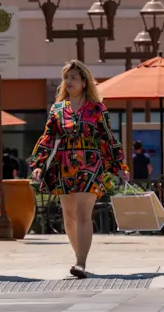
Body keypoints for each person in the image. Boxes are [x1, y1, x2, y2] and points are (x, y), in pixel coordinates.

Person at [30, 60, 126, 280]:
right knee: (69, 216)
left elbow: (108, 138)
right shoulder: (57, 109)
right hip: (64, 166)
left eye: (74, 77)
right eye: (66, 77)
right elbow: (48, 138)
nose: (69, 81)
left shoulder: (97, 109)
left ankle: (81, 262)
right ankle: (78, 256)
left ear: (84, 82)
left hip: (90, 165)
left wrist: (118, 165)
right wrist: (38, 164)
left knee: (83, 214)